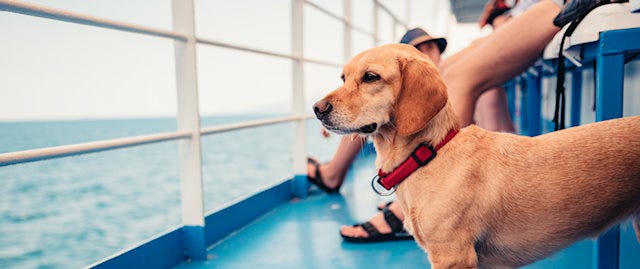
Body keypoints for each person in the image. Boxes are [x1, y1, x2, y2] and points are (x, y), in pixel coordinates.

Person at [308, 0, 613, 242]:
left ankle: (419, 209)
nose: (428, 53)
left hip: (554, 8)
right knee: (458, 77)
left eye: (430, 47)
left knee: (459, 78)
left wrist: (501, 18)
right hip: (528, 16)